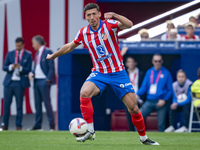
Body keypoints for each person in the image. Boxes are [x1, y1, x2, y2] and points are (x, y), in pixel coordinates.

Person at [46, 3, 159, 145]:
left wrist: (115, 15)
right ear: (86, 17)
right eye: (89, 15)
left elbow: (129, 24)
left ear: (99, 14)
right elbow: (69, 46)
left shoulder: (109, 24)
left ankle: (144, 138)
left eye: (94, 14)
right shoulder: (83, 33)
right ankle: (90, 131)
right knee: (84, 92)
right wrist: (54, 56)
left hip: (118, 73)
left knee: (133, 108)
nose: (92, 17)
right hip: (99, 73)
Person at [1, 37, 32, 130]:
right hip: (9, 83)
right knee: (6, 105)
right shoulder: (10, 54)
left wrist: (20, 68)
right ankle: (5, 124)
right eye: (16, 46)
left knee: (19, 105)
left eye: (19, 46)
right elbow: (4, 67)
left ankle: (18, 125)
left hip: (20, 83)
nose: (17, 47)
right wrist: (12, 66)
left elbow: (29, 69)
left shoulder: (28, 54)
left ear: (23, 45)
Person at [136, 54, 173, 132]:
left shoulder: (166, 73)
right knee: (138, 117)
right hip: (149, 101)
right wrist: (137, 94)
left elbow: (170, 90)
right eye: (156, 61)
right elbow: (144, 87)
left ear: (162, 61)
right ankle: (139, 137)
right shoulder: (149, 72)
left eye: (159, 61)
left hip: (160, 101)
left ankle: (162, 142)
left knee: (161, 124)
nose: (157, 63)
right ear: (152, 61)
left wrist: (164, 100)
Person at [28, 35, 56, 130]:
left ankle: (52, 125)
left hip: (44, 81)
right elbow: (36, 67)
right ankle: (38, 125)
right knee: (37, 104)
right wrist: (32, 73)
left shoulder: (48, 51)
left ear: (37, 42)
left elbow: (51, 67)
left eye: (33, 43)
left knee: (47, 104)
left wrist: (48, 79)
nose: (32, 45)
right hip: (36, 81)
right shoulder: (37, 54)